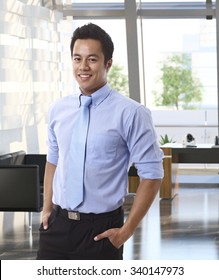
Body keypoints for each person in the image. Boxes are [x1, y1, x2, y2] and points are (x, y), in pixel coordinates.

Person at [37, 23, 164, 260]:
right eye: (77, 58)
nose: (83, 67)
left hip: (101, 231)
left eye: (92, 59)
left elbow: (153, 174)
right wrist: (46, 209)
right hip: (57, 226)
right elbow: (53, 160)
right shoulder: (58, 109)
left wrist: (125, 232)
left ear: (108, 63)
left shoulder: (132, 113)